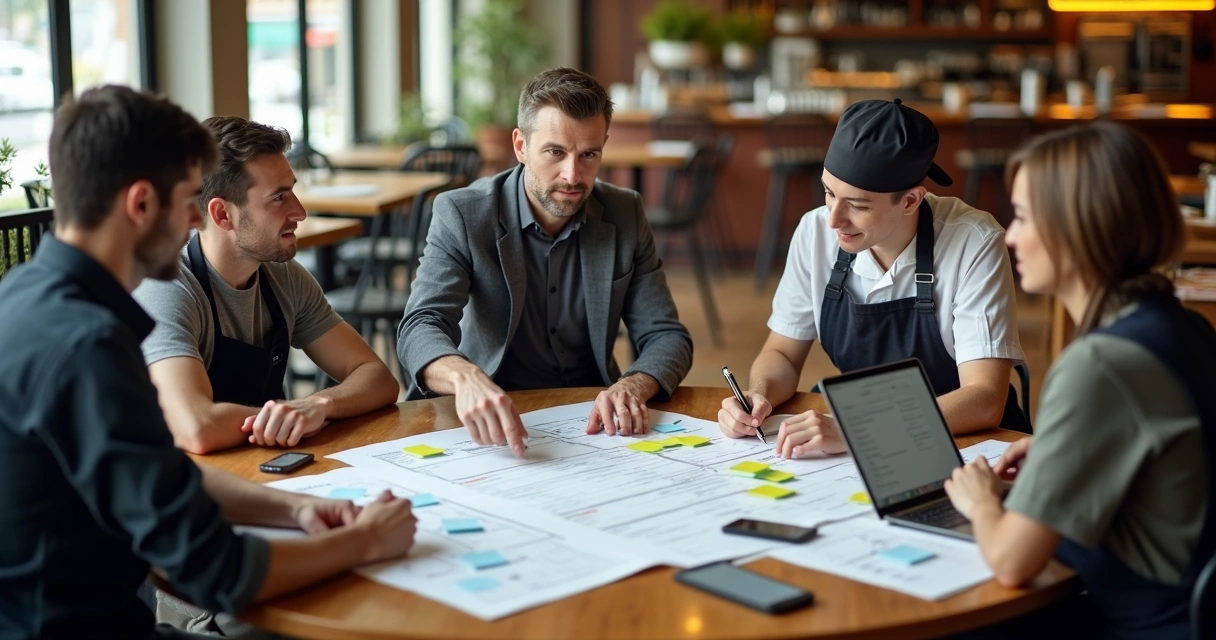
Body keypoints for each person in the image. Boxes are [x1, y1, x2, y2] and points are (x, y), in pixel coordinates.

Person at [0, 86, 416, 640]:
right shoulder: (88, 345)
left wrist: (291, 512)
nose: (196, 219)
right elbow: (220, 570)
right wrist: (365, 540)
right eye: (188, 202)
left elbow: (164, 474)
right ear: (142, 204)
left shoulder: (25, 294)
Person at [944, 122, 1214, 639]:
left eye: (1023, 215)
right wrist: (1060, 453)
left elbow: (1010, 561)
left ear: (1079, 225)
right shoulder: (1185, 326)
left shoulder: (1101, 364)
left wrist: (979, 499)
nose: (1010, 233)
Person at [398, 67, 693, 456]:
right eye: (555, 152)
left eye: (589, 154)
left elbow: (667, 335)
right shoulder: (463, 213)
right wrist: (466, 377)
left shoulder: (625, 212)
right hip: (489, 420)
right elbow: (420, 325)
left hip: (592, 423)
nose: (573, 175)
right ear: (520, 146)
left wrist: (631, 385)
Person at [719, 98, 1026, 458]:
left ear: (911, 200)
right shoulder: (815, 231)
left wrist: (857, 430)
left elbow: (984, 398)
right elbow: (782, 354)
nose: (833, 219)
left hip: (969, 442)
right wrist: (759, 396)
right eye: (829, 193)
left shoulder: (973, 241)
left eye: (858, 205)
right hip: (870, 435)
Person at [133, 116, 399, 455]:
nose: (300, 212)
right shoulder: (166, 287)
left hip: (265, 466)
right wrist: (289, 418)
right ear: (222, 215)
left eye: (293, 191)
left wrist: (319, 405)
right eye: (279, 197)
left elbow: (378, 378)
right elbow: (196, 427)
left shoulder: (284, 277)